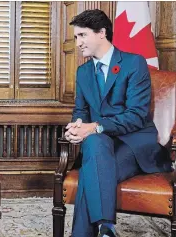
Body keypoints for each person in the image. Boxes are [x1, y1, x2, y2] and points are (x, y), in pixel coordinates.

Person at [64, 9, 172, 237]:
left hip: (135, 144)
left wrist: (93, 127)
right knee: (94, 147)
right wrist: (74, 128)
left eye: (82, 35)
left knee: (90, 173)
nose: (78, 43)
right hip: (100, 144)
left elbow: (135, 116)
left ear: (101, 33)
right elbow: (80, 112)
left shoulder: (134, 63)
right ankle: (106, 228)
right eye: (76, 37)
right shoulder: (83, 72)